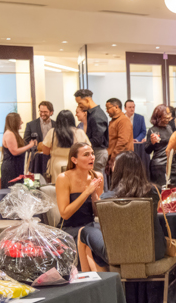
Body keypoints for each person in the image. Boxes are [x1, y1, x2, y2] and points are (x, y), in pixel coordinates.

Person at [101, 151, 167, 261]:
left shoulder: (106, 197)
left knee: (85, 232)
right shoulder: (154, 191)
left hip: (122, 252)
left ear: (118, 169)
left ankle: (105, 272)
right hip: (155, 250)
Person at [56, 143, 106, 272]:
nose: (92, 157)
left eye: (92, 154)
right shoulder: (64, 178)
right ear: (74, 160)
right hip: (70, 228)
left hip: (90, 226)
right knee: (89, 244)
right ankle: (96, 279)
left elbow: (99, 214)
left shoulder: (97, 176)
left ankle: (102, 279)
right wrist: (87, 192)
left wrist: (94, 194)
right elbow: (65, 214)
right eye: (86, 154)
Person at [41, 110, 90, 183]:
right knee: (75, 186)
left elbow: (45, 151)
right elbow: (88, 149)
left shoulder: (53, 132)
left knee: (59, 186)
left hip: (57, 165)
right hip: (75, 164)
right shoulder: (79, 132)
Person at [74, 89, 110, 175]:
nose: (79, 106)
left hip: (98, 152)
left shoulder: (97, 115)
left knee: (98, 179)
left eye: (80, 103)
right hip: (96, 151)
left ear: (87, 100)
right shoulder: (93, 113)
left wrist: (83, 145)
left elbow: (98, 139)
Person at [0, 113, 35, 186]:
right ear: (14, 122)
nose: (22, 122)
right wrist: (29, 145)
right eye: (20, 120)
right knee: (11, 189)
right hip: (11, 168)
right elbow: (15, 152)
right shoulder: (9, 134)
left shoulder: (13, 133)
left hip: (16, 167)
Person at [145, 104, 174, 186]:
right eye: (166, 113)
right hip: (159, 165)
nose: (169, 116)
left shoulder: (169, 128)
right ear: (159, 115)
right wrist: (152, 143)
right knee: (161, 189)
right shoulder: (152, 130)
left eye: (169, 113)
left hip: (171, 163)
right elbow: (147, 150)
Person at [105, 97, 134, 172]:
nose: (107, 111)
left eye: (108, 108)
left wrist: (113, 159)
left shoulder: (123, 120)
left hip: (121, 159)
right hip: (116, 158)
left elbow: (122, 142)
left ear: (116, 107)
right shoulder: (114, 120)